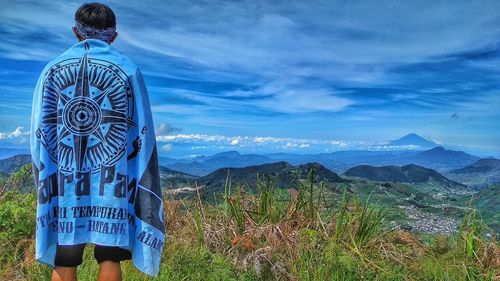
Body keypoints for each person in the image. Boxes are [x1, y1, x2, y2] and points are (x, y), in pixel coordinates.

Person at [30, 3, 165, 281]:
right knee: (109, 259)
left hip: (64, 189)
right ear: (114, 37)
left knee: (64, 262)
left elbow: (38, 133)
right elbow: (142, 131)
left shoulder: (51, 70)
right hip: (114, 187)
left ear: (75, 32)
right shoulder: (128, 70)